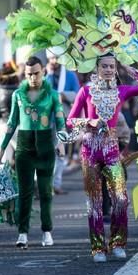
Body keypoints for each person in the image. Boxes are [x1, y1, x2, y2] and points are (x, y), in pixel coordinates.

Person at [67, 55, 138, 262]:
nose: (108, 70)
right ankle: (98, 248)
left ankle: (117, 243)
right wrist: (89, 121)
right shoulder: (86, 91)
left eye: (111, 67)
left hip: (111, 150)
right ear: (96, 69)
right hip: (89, 149)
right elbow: (70, 121)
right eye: (104, 66)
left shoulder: (122, 91)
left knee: (121, 199)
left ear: (116, 70)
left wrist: (129, 67)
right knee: (94, 202)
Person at [0, 56, 65, 249]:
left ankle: (47, 230)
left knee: (45, 192)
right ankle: (23, 233)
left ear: (43, 71)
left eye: (36, 73)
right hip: (24, 145)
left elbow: (60, 121)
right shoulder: (18, 94)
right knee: (24, 192)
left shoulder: (53, 94)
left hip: (45, 145)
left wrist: (61, 141)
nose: (33, 77)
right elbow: (11, 123)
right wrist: (3, 147)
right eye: (29, 74)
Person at [46, 53, 80, 195]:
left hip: (62, 119)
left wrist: (64, 95)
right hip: (46, 120)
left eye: (57, 58)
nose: (54, 61)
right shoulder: (45, 75)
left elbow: (78, 94)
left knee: (60, 153)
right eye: (52, 58)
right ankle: (45, 184)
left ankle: (56, 184)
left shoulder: (70, 76)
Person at [0, 62, 19, 164]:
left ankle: (6, 179)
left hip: (1, 125)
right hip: (17, 127)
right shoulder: (20, 92)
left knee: (5, 159)